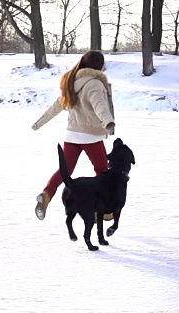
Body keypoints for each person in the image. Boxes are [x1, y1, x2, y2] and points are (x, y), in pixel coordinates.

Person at [32, 50, 116, 220]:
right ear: (99, 66)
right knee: (102, 172)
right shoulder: (94, 83)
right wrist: (107, 121)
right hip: (90, 135)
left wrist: (38, 123)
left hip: (72, 135)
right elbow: (99, 104)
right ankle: (104, 211)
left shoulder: (71, 81)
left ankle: (47, 195)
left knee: (66, 170)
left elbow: (57, 106)